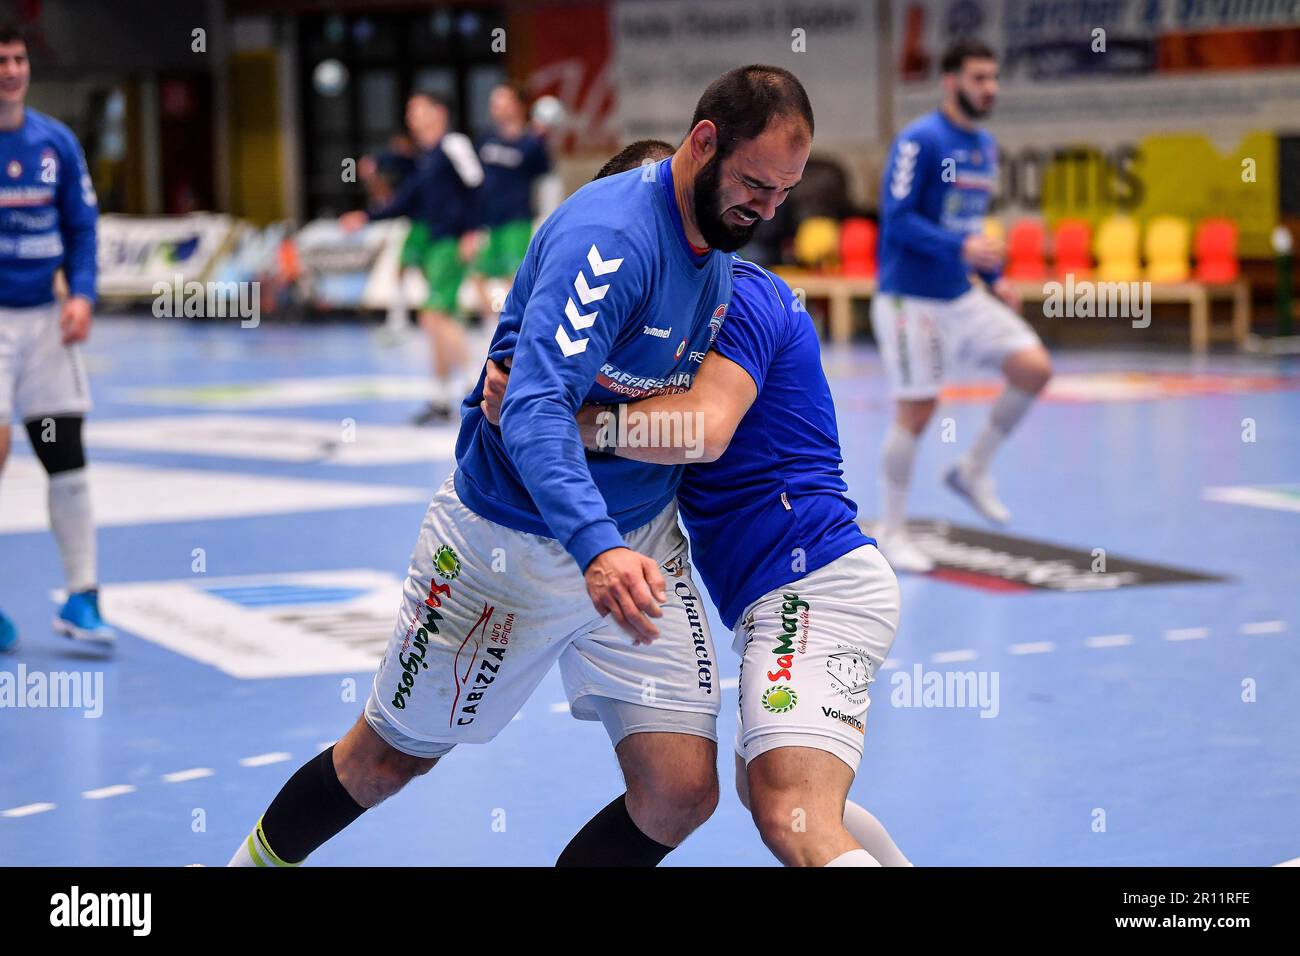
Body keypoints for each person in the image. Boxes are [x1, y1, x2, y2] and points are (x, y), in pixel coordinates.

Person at [227, 65, 812, 868]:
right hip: (508, 545)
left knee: (680, 790)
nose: (769, 208)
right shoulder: (608, 242)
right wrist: (594, 544)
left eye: (785, 192)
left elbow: (683, 418)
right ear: (704, 142)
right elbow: (531, 414)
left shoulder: (715, 246)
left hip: (638, 547)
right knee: (384, 762)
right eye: (756, 183)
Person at [483, 140, 910, 867]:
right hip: (782, 592)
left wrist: (572, 422)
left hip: (811, 584)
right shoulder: (648, 318)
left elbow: (703, 431)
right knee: (767, 790)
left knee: (792, 812)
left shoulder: (737, 292)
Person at [870, 38, 1053, 572]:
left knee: (1033, 368)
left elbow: (967, 225)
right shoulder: (919, 141)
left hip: (961, 292)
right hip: (910, 298)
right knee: (918, 410)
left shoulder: (985, 147)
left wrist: (994, 277)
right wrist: (961, 250)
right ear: (950, 81)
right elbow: (897, 219)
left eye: (993, 78)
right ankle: (893, 531)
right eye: (978, 78)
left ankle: (972, 469)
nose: (988, 88)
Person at [0, 24, 111, 651]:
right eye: (0, 61)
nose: (11, 70)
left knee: (65, 452)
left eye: (18, 59)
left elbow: (82, 228)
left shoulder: (56, 143)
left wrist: (84, 294)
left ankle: (82, 598)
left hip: (45, 318)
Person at [341, 92, 484, 424]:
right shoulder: (426, 158)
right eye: (409, 112)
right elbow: (407, 200)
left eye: (418, 111)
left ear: (439, 113)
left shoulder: (454, 145)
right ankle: (440, 398)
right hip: (434, 243)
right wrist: (366, 217)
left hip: (451, 243)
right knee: (434, 319)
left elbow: (479, 186)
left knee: (437, 315)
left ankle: (478, 391)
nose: (412, 118)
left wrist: (473, 231)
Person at [467, 84, 551, 323]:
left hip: (516, 218)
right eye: (494, 103)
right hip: (488, 220)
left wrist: (540, 140)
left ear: (517, 106)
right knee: (478, 275)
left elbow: (545, 173)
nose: (496, 108)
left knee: (514, 276)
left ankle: (524, 327)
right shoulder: (486, 139)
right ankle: (496, 325)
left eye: (502, 102)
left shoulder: (531, 142)